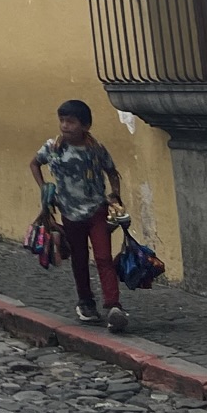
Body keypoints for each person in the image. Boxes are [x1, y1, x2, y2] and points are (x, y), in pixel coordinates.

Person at [28, 98, 126, 331]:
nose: (65, 126)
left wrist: (115, 195)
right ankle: (86, 303)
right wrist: (44, 187)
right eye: (62, 120)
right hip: (69, 212)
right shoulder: (53, 148)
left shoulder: (96, 150)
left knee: (103, 257)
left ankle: (113, 306)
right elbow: (34, 164)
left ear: (85, 125)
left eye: (71, 122)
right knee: (79, 258)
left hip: (96, 210)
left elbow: (112, 171)